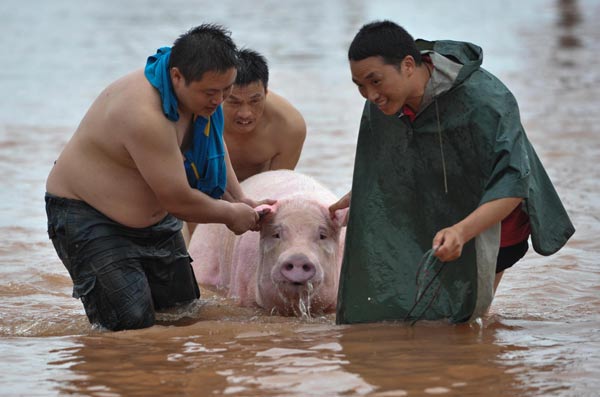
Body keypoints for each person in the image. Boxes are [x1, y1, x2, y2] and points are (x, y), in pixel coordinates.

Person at [330, 21, 575, 324]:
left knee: (466, 320)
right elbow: (399, 158)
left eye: (375, 81)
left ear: (408, 65)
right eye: (360, 86)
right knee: (410, 317)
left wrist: (462, 231)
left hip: (498, 219)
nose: (369, 95)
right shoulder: (385, 104)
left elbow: (513, 184)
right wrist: (367, 191)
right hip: (437, 204)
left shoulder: (487, 100)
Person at [45, 24, 273, 331]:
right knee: (129, 328)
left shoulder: (204, 98)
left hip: (155, 221)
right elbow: (178, 199)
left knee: (183, 315)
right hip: (89, 215)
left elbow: (214, 145)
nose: (219, 101)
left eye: (225, 90)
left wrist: (241, 199)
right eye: (210, 92)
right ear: (177, 76)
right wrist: (230, 214)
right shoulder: (145, 114)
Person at [182, 48, 306, 244]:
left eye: (255, 101)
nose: (245, 113)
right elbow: (184, 187)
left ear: (266, 92)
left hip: (253, 199)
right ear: (220, 94)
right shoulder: (198, 116)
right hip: (197, 195)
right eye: (234, 102)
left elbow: (275, 189)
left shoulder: (289, 127)